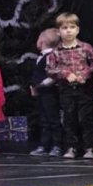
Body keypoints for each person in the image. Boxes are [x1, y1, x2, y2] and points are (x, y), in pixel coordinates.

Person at [48, 13, 93, 159]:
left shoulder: (86, 47)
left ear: (78, 30)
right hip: (66, 90)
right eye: (64, 28)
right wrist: (65, 73)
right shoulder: (56, 52)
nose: (68, 30)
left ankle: (89, 147)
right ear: (58, 31)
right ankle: (71, 147)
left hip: (84, 89)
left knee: (86, 119)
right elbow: (50, 70)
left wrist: (85, 74)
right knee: (69, 119)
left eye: (72, 27)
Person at [29, 28, 61, 157]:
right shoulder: (42, 56)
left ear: (41, 41)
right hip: (42, 93)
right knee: (44, 119)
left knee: (53, 119)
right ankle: (44, 144)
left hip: (50, 93)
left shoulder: (51, 56)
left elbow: (53, 76)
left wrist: (40, 85)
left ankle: (57, 145)